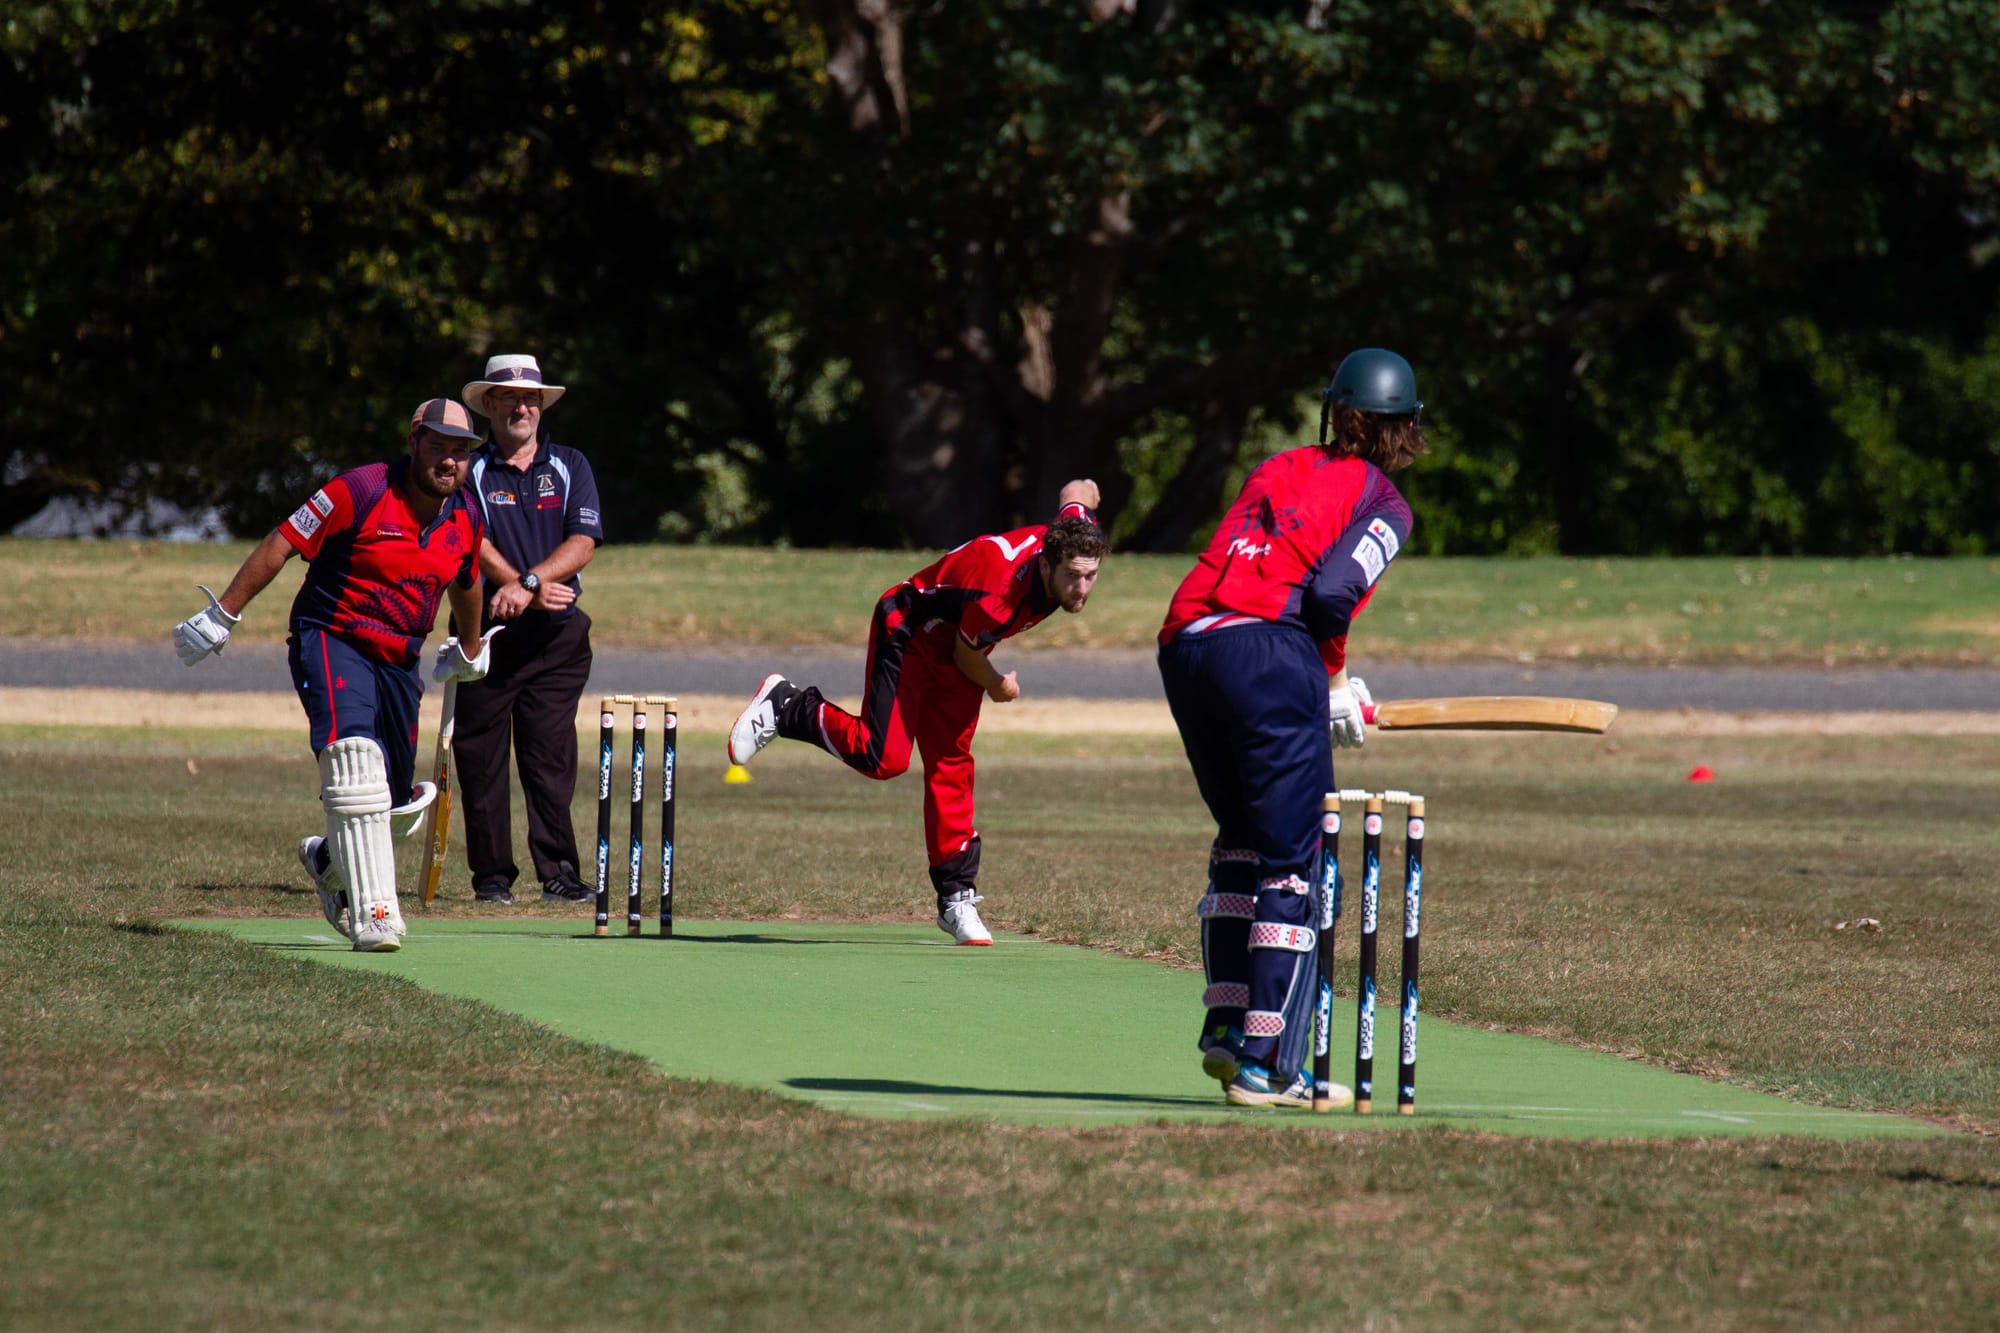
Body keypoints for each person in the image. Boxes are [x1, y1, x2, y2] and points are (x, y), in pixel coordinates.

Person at [1157, 348, 1430, 1108]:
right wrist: (1334, 681)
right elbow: (1331, 596)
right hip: (1268, 652)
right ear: (1406, 427)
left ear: (1334, 410)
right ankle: (1267, 1065)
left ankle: (1226, 1029)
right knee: (1292, 859)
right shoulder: (1387, 502)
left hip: (1185, 642)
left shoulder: (1277, 465)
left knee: (1241, 837)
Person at [171, 397, 494, 951]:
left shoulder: (466, 514)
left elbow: (466, 581)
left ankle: (328, 860)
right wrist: (224, 612)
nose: (449, 462)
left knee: (391, 804)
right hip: (332, 636)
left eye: (461, 452)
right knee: (353, 759)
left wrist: (468, 648)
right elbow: (283, 542)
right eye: (438, 447)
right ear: (413, 443)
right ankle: (374, 914)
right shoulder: (360, 490)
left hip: (399, 659)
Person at [725, 482, 1109, 945]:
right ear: (1046, 563)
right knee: (883, 758)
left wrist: (1086, 491)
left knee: (951, 764)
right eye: (1073, 576)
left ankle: (956, 898)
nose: (1082, 588)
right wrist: (999, 685)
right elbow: (971, 661)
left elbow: (1077, 493)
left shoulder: (1073, 535)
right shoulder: (998, 597)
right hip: (910, 631)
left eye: (1091, 575)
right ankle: (788, 706)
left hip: (960, 641)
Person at [451, 353, 606, 905]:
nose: (522, 407)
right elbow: (470, 541)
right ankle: (492, 879)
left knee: (549, 757)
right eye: (511, 398)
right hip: (486, 633)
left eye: (531, 398)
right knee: (481, 759)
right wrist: (515, 587)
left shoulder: (569, 465)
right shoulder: (471, 471)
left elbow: (583, 541)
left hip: (557, 639)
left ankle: (560, 874)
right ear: (489, 405)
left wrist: (532, 585)